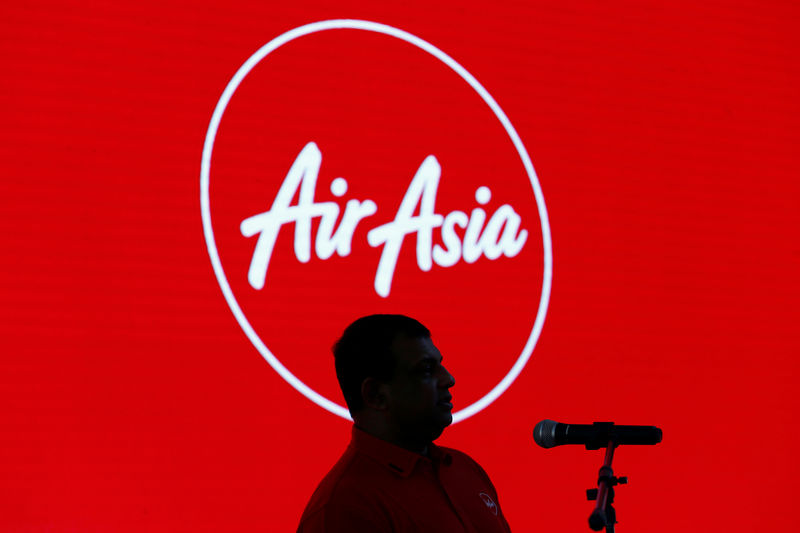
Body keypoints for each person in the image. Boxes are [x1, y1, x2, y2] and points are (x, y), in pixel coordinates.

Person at [296, 314, 512, 532]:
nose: (448, 379)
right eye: (426, 369)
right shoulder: (343, 509)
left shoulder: (465, 469)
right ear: (375, 395)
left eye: (440, 365)